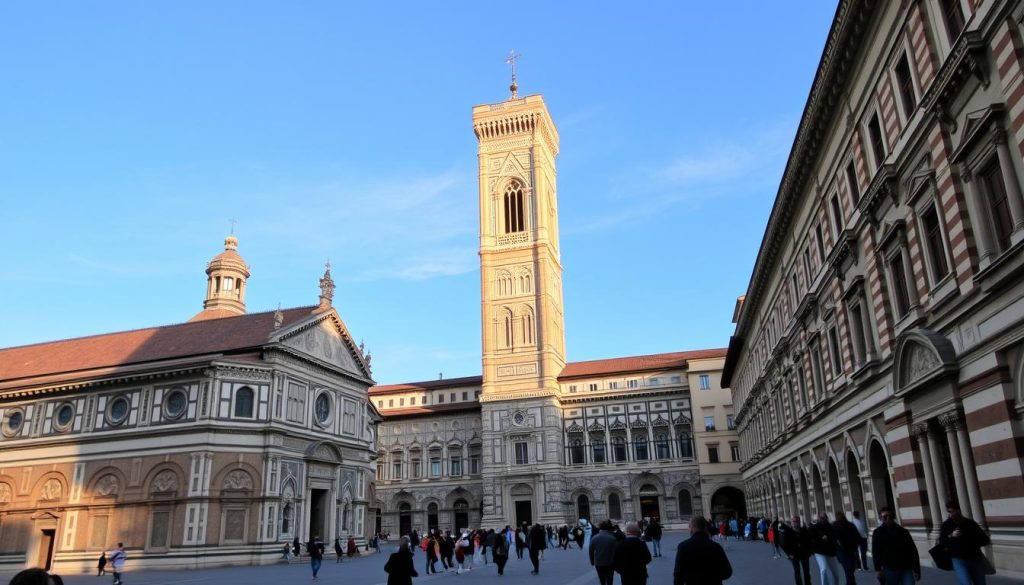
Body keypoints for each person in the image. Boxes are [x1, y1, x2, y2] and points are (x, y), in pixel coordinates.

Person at [939, 501, 991, 585]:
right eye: (948, 511)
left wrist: (971, 541)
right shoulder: (946, 525)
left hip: (975, 558)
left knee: (980, 583)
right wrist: (951, 535)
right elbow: (941, 543)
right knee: (965, 583)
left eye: (951, 511)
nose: (950, 514)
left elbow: (985, 540)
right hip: (958, 560)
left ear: (958, 510)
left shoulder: (970, 523)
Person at [673, 516, 733, 585]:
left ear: (692, 528)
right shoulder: (716, 546)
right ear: (705, 528)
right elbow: (727, 572)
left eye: (689, 527)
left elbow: (678, 575)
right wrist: (714, 577)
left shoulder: (683, 546)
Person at [872, 506, 920, 585]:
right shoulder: (877, 533)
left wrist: (916, 570)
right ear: (881, 518)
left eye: (890, 516)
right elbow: (876, 552)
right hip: (889, 568)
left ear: (893, 517)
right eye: (885, 517)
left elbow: (912, 550)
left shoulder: (903, 531)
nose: (888, 518)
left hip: (906, 567)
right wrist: (877, 569)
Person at [809, 513, 844, 585]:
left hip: (831, 552)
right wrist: (820, 540)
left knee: (835, 572)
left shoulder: (831, 527)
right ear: (818, 518)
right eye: (822, 518)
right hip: (819, 552)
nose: (823, 519)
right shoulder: (814, 528)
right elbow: (810, 540)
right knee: (824, 569)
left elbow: (835, 538)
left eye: (825, 518)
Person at [780, 516, 812, 585]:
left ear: (799, 522)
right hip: (794, 554)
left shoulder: (804, 530)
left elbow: (809, 541)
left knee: (806, 571)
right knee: (797, 571)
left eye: (796, 521)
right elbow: (783, 544)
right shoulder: (787, 531)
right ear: (791, 522)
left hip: (804, 553)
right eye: (793, 521)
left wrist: (809, 552)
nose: (795, 523)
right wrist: (789, 554)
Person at [834, 512, 861, 585]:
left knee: (848, 568)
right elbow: (858, 537)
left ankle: (851, 583)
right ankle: (851, 582)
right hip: (849, 550)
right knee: (849, 568)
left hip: (842, 551)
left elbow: (833, 539)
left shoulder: (835, 525)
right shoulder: (850, 525)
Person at [590, 520, 618, 585]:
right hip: (610, 563)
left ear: (600, 527)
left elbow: (591, 551)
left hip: (599, 563)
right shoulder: (612, 538)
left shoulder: (594, 538)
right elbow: (616, 551)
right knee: (610, 580)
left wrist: (592, 562)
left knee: (602, 580)